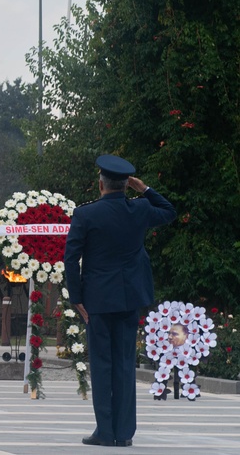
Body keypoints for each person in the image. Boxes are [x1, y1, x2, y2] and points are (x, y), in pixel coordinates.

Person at [64, 154, 176, 448]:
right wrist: (145, 189)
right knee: (125, 364)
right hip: (129, 299)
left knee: (102, 364)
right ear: (126, 185)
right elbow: (169, 211)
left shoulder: (85, 215)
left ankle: (105, 430)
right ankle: (124, 433)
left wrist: (76, 298)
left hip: (97, 301)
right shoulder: (139, 208)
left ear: (100, 184)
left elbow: (71, 258)